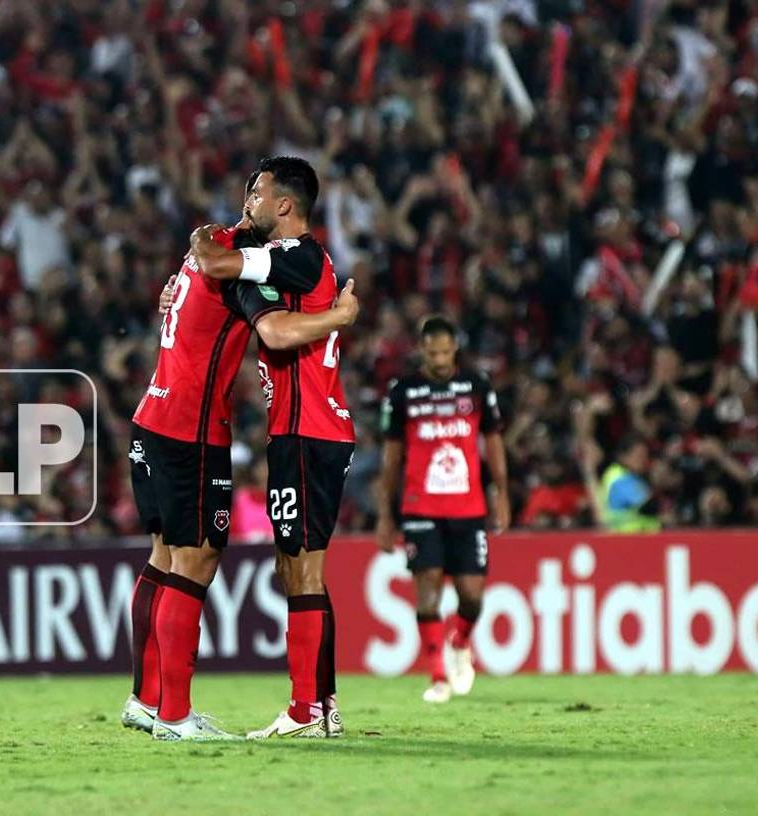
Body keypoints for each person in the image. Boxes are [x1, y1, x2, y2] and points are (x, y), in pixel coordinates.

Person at [127, 166, 357, 741]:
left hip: (162, 417)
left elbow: (217, 266)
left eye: (257, 192)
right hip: (191, 427)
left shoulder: (286, 257)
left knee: (187, 560)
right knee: (196, 561)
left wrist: (201, 245)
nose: (246, 199)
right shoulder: (235, 259)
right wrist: (341, 317)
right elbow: (268, 323)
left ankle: (154, 700)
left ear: (283, 205)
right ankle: (175, 715)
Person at [375, 315, 510, 704]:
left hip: (468, 507)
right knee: (428, 588)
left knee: (472, 596)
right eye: (431, 351)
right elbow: (392, 457)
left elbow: (494, 441)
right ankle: (437, 677)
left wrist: (501, 492)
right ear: (422, 350)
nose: (438, 357)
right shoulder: (404, 391)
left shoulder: (477, 385)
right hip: (420, 507)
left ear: (455, 349)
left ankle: (460, 640)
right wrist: (386, 513)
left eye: (444, 350)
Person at [589, 435, 662, 533]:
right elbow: (648, 506)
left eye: (646, 455)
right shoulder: (621, 478)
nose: (644, 460)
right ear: (624, 456)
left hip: (637, 536)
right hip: (629, 537)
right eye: (639, 456)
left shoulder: (632, 476)